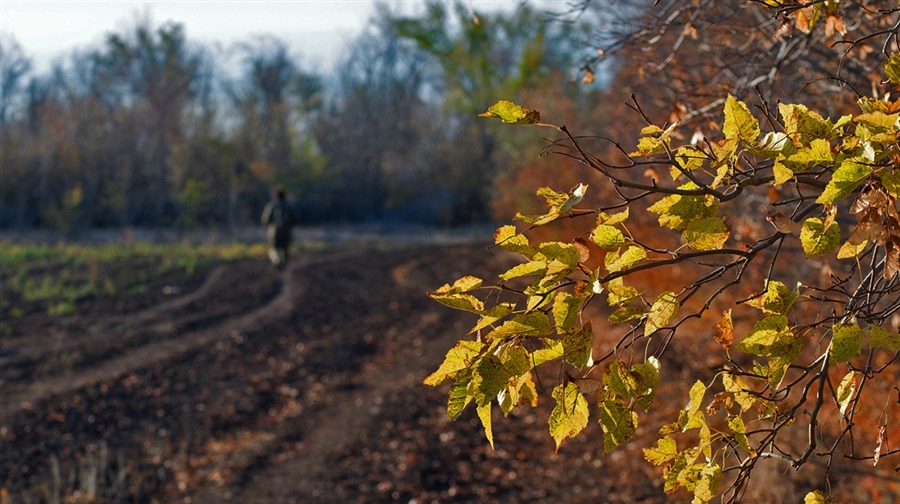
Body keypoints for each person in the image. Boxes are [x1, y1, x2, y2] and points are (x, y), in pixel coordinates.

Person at [260, 186, 295, 269]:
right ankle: (284, 264)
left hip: (275, 231)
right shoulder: (288, 206)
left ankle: (276, 260)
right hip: (286, 232)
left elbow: (265, 219)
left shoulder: (272, 205)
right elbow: (294, 219)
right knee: (285, 249)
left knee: (273, 247)